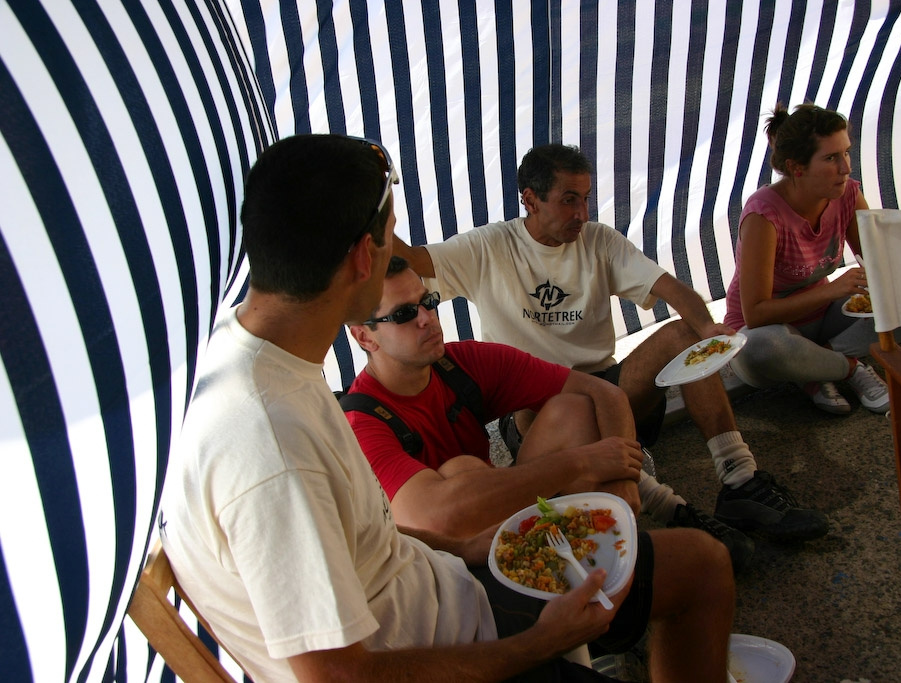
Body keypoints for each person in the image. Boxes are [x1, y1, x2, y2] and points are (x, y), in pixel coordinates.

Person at [159, 134, 734, 682]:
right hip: (457, 647)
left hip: (450, 584)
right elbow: (339, 676)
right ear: (363, 259)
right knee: (699, 569)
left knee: (702, 562)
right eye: (390, 238)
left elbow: (374, 541)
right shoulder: (272, 444)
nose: (422, 310)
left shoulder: (258, 360)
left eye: (426, 302)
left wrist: (461, 550)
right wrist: (540, 643)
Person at [393, 143, 829, 547]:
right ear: (530, 200)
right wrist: (378, 215)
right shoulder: (488, 246)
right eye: (569, 200)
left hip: (608, 389)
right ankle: (670, 508)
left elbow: (671, 287)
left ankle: (740, 479)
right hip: (535, 411)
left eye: (585, 198)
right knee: (560, 405)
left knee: (683, 336)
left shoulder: (598, 240)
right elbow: (409, 263)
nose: (582, 213)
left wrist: (706, 326)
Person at [347, 256, 754, 568]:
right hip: (437, 563)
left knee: (573, 409)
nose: (426, 319)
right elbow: (437, 520)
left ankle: (619, 537)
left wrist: (623, 482)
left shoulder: (460, 362)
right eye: (404, 314)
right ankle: (578, 579)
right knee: (461, 469)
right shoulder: (361, 420)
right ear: (364, 337)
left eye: (428, 302)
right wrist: (582, 462)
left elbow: (604, 393)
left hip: (501, 512)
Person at [722, 103, 901, 414]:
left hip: (824, 321)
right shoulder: (764, 215)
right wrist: (831, 290)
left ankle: (817, 365)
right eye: (831, 158)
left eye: (846, 153)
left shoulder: (847, 194)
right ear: (797, 167)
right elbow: (756, 315)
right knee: (759, 350)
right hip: (768, 332)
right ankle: (848, 368)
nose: (845, 168)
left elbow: (879, 263)